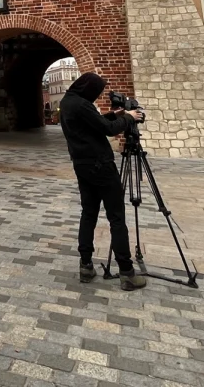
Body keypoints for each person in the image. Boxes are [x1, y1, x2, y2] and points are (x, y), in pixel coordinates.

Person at [58, 71, 147, 291]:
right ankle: (127, 272)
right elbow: (107, 130)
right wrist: (128, 118)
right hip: (101, 166)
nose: (96, 96)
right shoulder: (81, 104)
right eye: (95, 92)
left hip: (82, 166)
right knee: (116, 217)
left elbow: (93, 123)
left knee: (88, 213)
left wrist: (114, 114)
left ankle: (86, 265)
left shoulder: (69, 102)